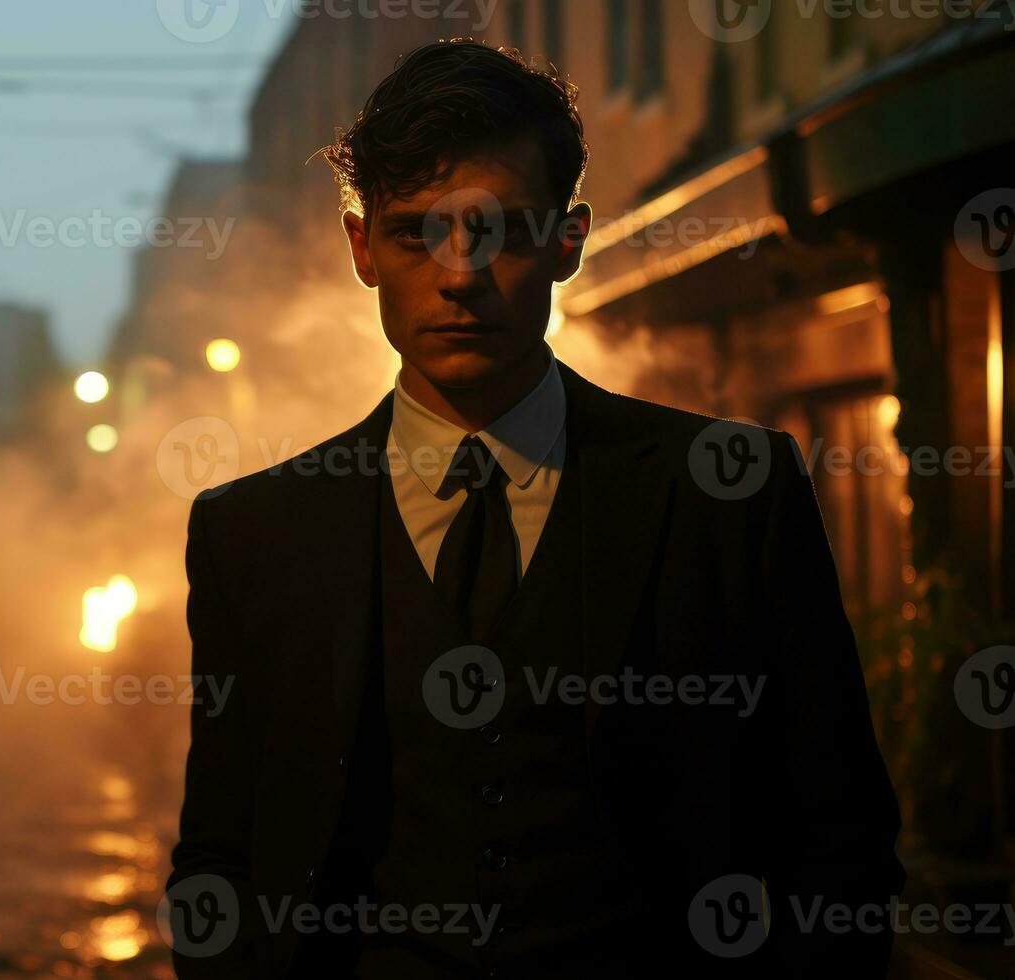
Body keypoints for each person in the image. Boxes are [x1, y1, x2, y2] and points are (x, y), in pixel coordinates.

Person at [167, 41, 903, 978]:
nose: (460, 272)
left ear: (569, 238)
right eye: (415, 232)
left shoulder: (728, 494)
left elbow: (835, 838)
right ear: (362, 248)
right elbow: (222, 852)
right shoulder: (254, 533)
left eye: (504, 231)